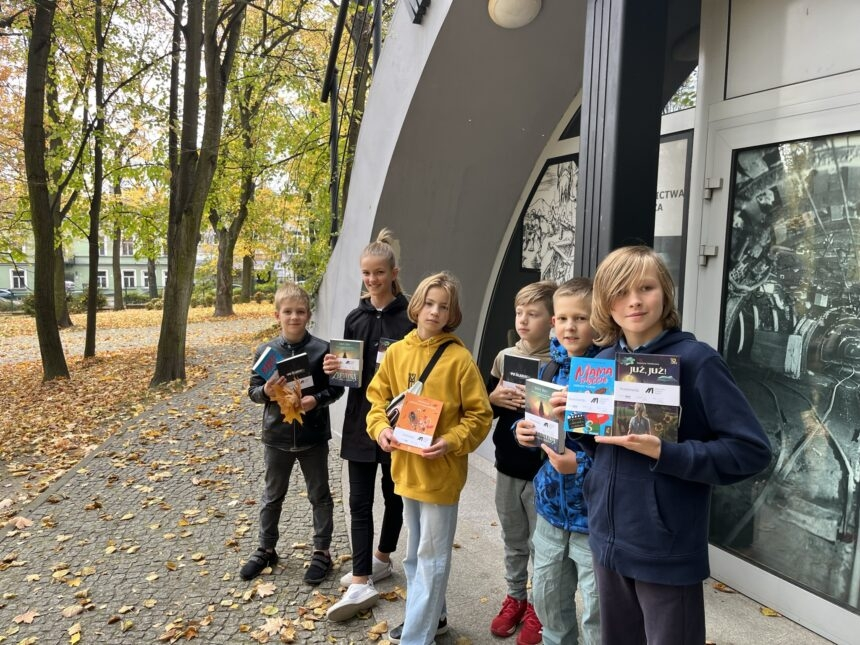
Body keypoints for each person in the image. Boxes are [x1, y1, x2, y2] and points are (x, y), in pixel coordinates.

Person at [585, 245, 772, 644]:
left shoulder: (698, 361)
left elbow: (751, 450)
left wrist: (665, 452)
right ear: (605, 302)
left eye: (646, 288)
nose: (634, 301)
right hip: (607, 540)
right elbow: (602, 449)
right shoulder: (601, 361)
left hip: (664, 549)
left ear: (665, 293)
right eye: (621, 291)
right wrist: (571, 424)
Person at [366, 271, 493, 645]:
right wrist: (381, 430)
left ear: (452, 314)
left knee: (432, 558)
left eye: (444, 307)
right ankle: (434, 619)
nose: (435, 312)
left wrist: (451, 441)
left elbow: (480, 415)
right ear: (416, 306)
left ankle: (416, 637)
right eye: (429, 303)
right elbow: (377, 400)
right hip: (405, 469)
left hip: (441, 474)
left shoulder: (459, 359)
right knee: (414, 555)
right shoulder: (397, 353)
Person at [324, 229, 416, 622]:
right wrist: (333, 369)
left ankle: (382, 558)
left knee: (395, 496)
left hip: (399, 423)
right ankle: (361, 578)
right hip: (361, 421)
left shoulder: (411, 317)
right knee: (359, 501)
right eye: (366, 273)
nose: (372, 279)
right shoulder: (354, 318)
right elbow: (348, 378)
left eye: (379, 272)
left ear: (394, 273)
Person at [514, 278, 601, 645]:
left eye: (580, 318)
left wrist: (580, 467)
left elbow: (620, 452)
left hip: (592, 520)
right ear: (553, 323)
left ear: (598, 319)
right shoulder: (549, 370)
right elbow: (537, 427)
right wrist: (521, 431)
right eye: (563, 318)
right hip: (550, 513)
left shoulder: (606, 375)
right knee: (549, 605)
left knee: (599, 615)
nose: (570, 327)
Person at [242, 282, 344, 584]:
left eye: (300, 311)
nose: (294, 317)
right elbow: (252, 392)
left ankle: (322, 551)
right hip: (277, 437)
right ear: (277, 315)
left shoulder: (322, 350)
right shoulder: (266, 352)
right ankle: (266, 548)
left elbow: (336, 388)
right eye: (287, 312)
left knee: (320, 496)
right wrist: (266, 391)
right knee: (272, 496)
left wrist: (316, 400)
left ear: (308, 315)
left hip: (313, 437)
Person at [485, 281, 556, 643]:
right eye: (519, 313)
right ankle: (515, 598)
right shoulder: (504, 357)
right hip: (508, 466)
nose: (524, 320)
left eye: (533, 314)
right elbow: (486, 406)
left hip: (544, 470)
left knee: (542, 547)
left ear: (552, 319)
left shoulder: (561, 362)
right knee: (514, 540)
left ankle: (539, 609)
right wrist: (493, 398)